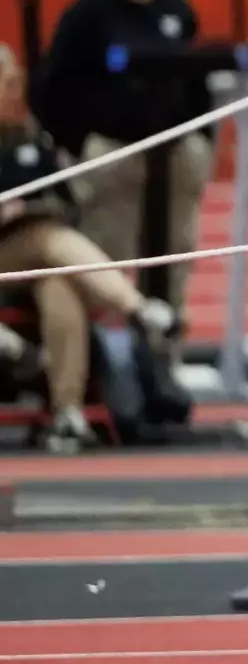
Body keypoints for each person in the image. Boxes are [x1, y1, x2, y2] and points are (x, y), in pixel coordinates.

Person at [32, 0, 216, 317]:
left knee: (174, 258)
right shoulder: (86, 14)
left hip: (174, 155)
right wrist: (82, 144)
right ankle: (115, 371)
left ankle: (165, 363)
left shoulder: (176, 11)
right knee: (107, 265)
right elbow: (51, 88)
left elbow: (197, 84)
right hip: (113, 158)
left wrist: (200, 142)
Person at [0, 45, 180, 452]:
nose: (16, 91)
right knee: (45, 240)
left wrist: (28, 208)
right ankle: (137, 308)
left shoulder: (29, 135)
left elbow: (68, 201)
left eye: (18, 82)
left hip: (31, 259)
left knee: (59, 281)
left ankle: (67, 413)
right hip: (12, 255)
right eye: (7, 83)